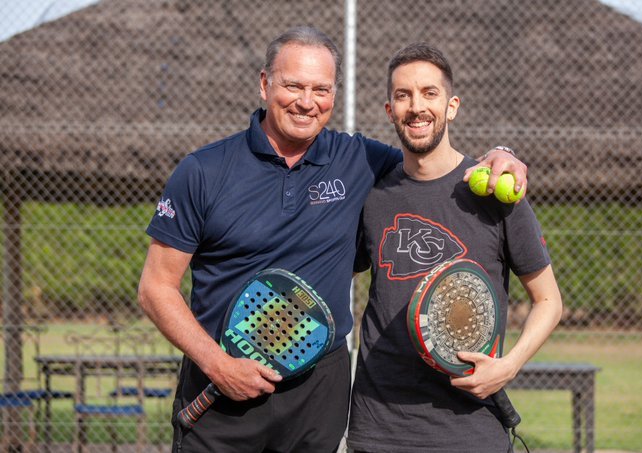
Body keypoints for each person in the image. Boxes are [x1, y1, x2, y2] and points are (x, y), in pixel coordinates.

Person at [137, 27, 527, 453]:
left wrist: (502, 153)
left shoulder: (358, 159)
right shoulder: (203, 171)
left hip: (319, 394)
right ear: (265, 84)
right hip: (221, 389)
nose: (307, 101)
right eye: (293, 86)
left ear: (335, 94)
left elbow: (431, 159)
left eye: (321, 89)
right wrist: (218, 365)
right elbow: (156, 287)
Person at [347, 43, 563, 453]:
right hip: (379, 426)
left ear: (452, 106)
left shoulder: (497, 191)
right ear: (389, 109)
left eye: (430, 93)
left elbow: (549, 300)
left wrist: (509, 367)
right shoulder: (371, 195)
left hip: (470, 429)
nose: (417, 107)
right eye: (403, 95)